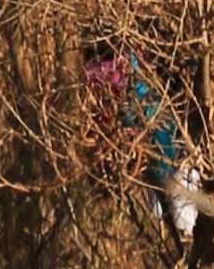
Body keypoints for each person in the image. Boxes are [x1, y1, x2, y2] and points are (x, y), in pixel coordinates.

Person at [78, 30, 201, 253]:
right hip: (158, 144)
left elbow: (102, 118)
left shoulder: (108, 70)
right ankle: (186, 238)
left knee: (175, 196)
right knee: (175, 196)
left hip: (158, 144)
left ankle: (186, 237)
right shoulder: (123, 63)